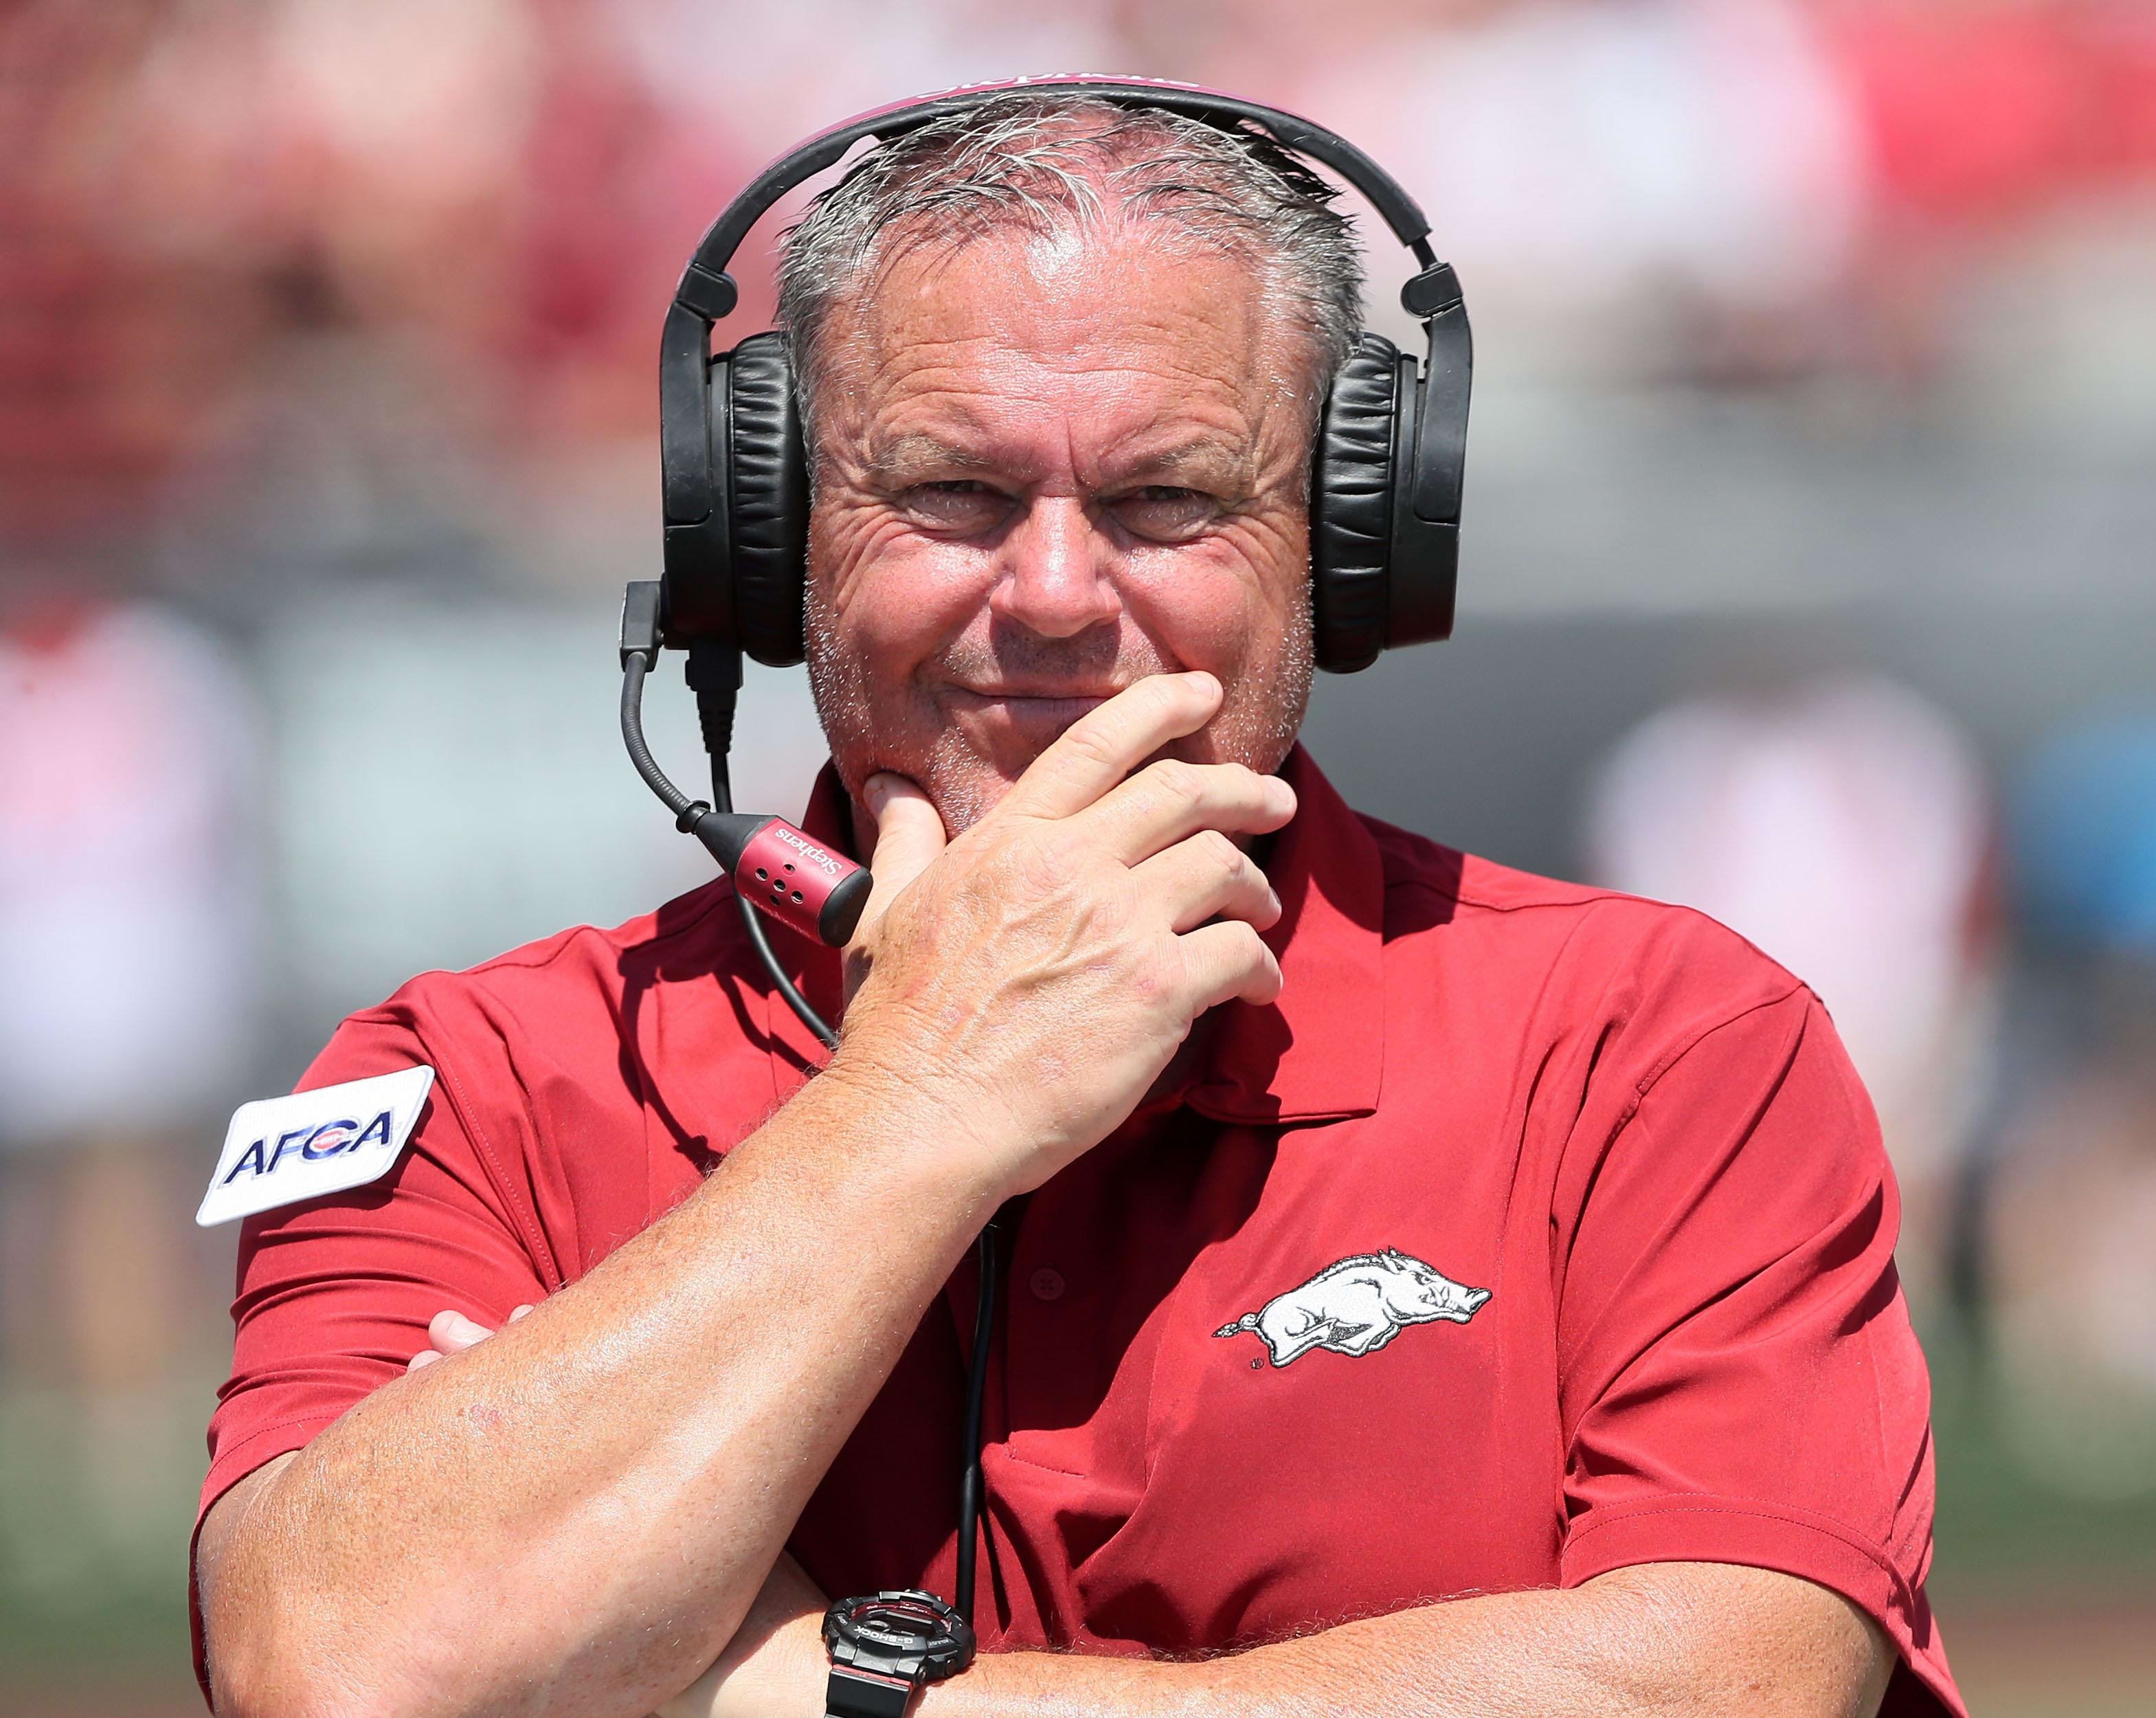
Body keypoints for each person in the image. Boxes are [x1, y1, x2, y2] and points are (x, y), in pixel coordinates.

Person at [191, 89, 1960, 1718]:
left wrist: (800, 1688)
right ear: (771, 521)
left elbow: (1737, 1688)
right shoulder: (477, 1077)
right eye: (949, 492)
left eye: (1167, 498)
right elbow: (339, 1666)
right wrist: (929, 1094)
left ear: (1352, 543)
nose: (1050, 594)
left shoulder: (1664, 1049)